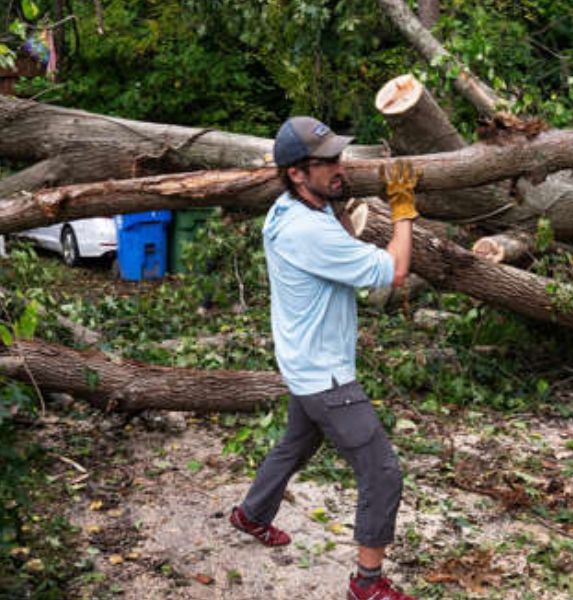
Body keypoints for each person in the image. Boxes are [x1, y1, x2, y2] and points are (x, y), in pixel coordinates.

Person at [228, 116, 419, 600]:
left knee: (296, 445)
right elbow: (394, 272)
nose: (341, 166)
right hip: (327, 376)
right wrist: (403, 208)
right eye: (328, 161)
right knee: (381, 472)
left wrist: (342, 199)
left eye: (340, 156)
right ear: (297, 172)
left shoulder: (286, 209)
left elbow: (331, 223)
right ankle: (367, 583)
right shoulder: (308, 233)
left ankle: (250, 515)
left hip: (301, 363)